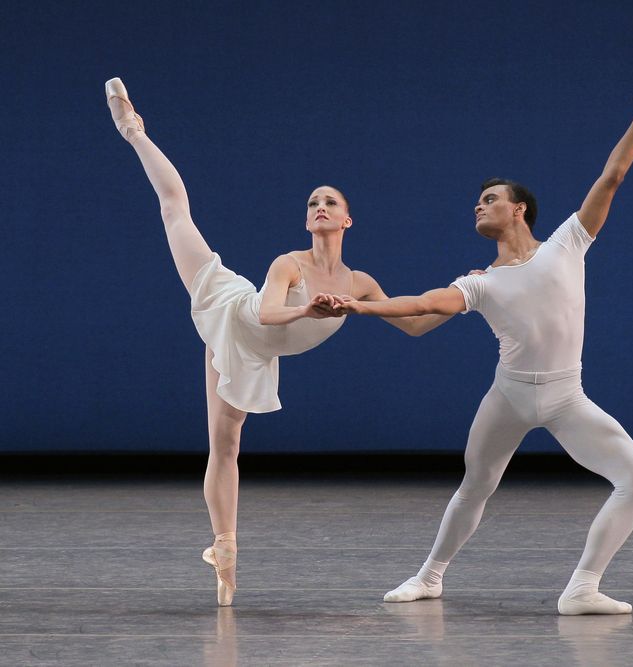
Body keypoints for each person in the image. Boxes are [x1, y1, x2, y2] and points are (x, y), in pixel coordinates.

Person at [333, 80, 633, 614]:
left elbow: (612, 176)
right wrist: (360, 306)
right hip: (508, 397)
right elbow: (424, 304)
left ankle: (582, 588)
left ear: (519, 209)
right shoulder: (480, 282)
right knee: (476, 484)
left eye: (490, 199)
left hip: (567, 397)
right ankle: (429, 577)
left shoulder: (567, 243)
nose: (478, 207)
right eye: (477, 202)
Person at [104, 78, 451, 606]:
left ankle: (224, 549)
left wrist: (467, 297)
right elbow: (266, 314)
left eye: (330, 202)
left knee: (227, 446)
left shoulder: (360, 283)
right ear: (307, 219)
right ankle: (134, 131)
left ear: (347, 219)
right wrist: (307, 308)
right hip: (231, 306)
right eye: (313, 202)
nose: (319, 206)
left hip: (257, 354)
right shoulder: (290, 263)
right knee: (175, 208)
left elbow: (414, 324)